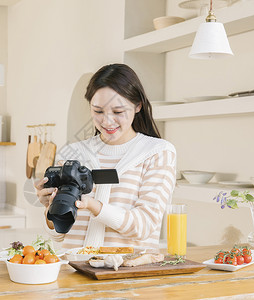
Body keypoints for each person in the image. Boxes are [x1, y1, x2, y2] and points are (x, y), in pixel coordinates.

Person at [35, 63, 176, 250]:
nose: (107, 121)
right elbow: (59, 236)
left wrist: (94, 206)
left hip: (126, 275)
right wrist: (50, 210)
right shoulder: (72, 153)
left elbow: (145, 226)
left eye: (118, 112)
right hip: (73, 273)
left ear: (137, 106)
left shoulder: (157, 152)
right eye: (98, 111)